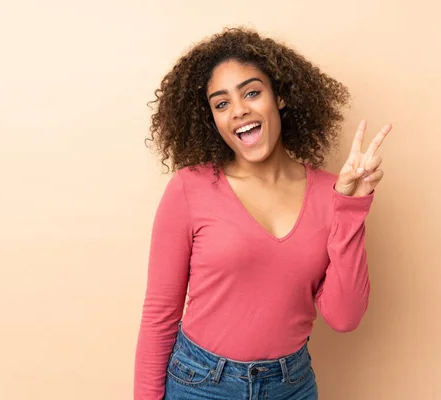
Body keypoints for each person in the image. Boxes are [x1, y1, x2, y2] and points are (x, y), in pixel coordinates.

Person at [134, 27, 392, 400]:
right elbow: (160, 313)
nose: (239, 110)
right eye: (221, 103)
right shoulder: (190, 188)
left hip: (292, 386)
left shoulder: (331, 192)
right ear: (213, 119)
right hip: (200, 384)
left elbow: (344, 317)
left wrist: (351, 207)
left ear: (281, 97)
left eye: (252, 92)